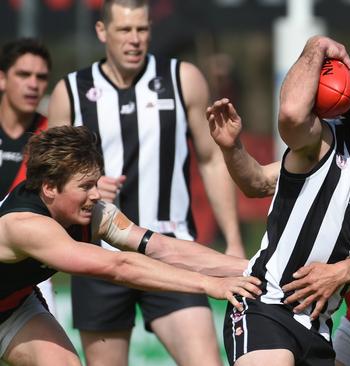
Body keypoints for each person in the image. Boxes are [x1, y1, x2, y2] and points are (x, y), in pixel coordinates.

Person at [211, 36, 350, 366]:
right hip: (263, 306)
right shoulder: (320, 145)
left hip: (317, 332)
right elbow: (289, 114)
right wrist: (316, 47)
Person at [47, 1, 244, 365]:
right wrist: (85, 187)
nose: (134, 40)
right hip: (98, 258)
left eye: (141, 29)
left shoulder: (182, 78)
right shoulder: (71, 91)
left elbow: (211, 159)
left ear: (151, 29)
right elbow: (52, 178)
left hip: (172, 249)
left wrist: (232, 240)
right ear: (102, 32)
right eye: (124, 30)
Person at [0, 125, 261, 366]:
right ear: (49, 188)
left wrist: (253, 267)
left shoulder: (91, 213)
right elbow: (118, 266)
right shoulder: (25, 225)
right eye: (85, 186)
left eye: (96, 183)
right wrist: (209, 284)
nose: (96, 195)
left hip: (12, 308)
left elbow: (162, 248)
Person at [0, 38, 57, 316]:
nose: (33, 84)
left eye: (41, 77)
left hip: (29, 264)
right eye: (24, 74)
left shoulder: (53, 137)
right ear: (1, 78)